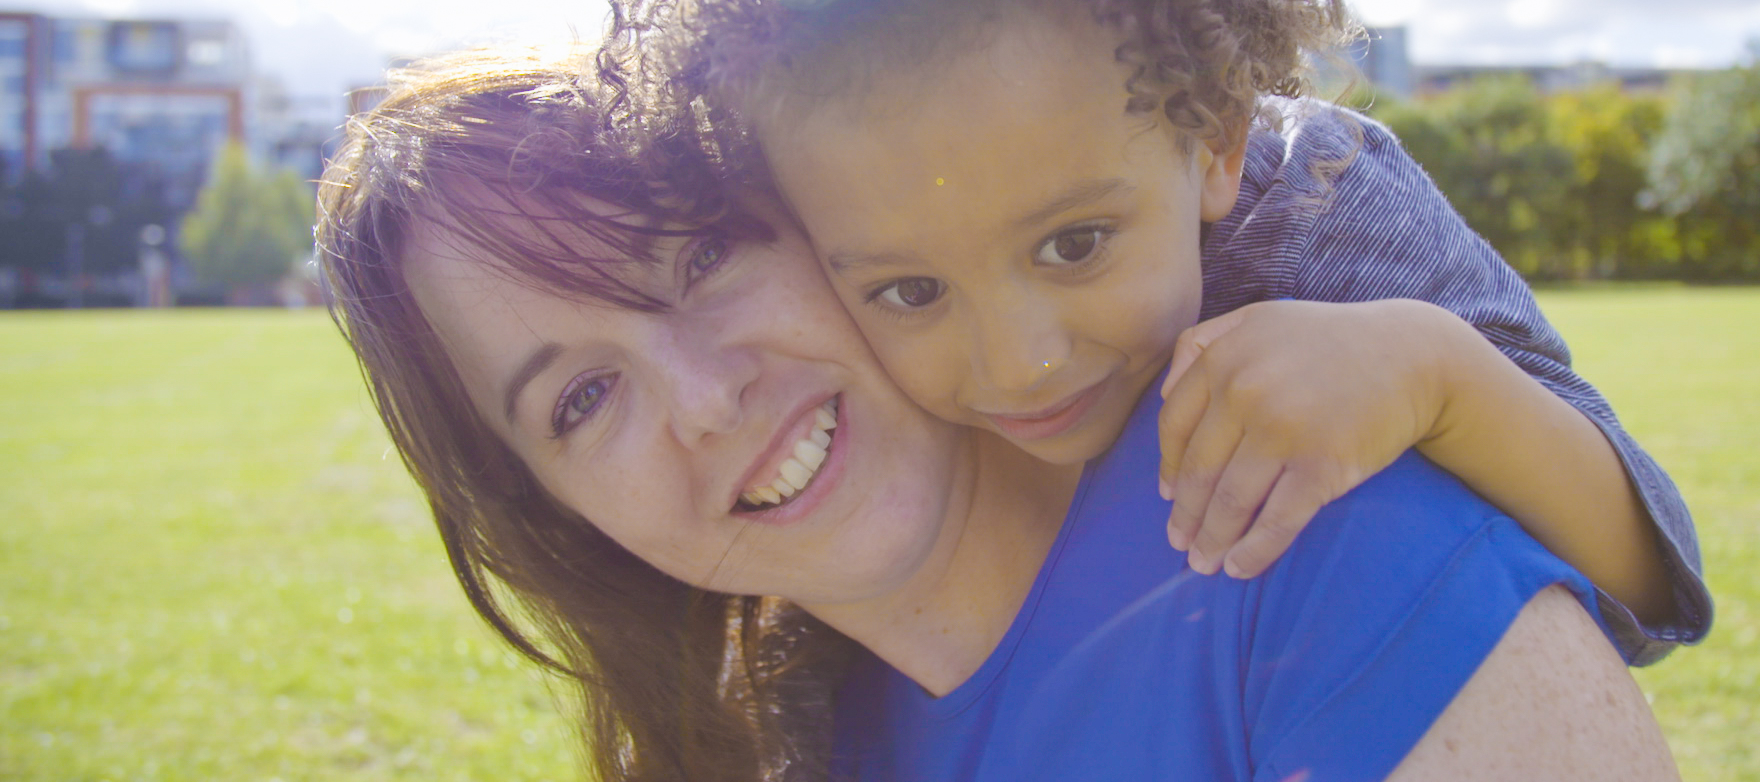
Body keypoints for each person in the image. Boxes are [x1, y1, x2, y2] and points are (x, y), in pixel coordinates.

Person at [616, 0, 1708, 662]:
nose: (1020, 359)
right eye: (912, 291)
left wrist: (1430, 376)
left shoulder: (1323, 212)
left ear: (1217, 138)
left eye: (1075, 243)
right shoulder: (847, 352)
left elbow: (1652, 582)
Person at [317, 46, 1678, 782]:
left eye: (701, 257)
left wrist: (1436, 371)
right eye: (582, 398)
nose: (705, 397)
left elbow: (1648, 564)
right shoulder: (779, 740)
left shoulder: (1301, 524)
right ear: (557, 515)